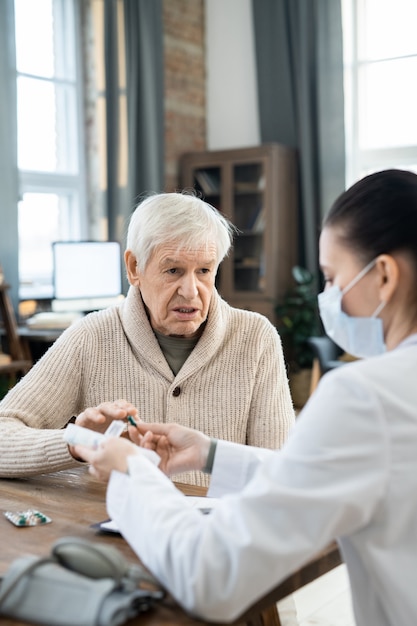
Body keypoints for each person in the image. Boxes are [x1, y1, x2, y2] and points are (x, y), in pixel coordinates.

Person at [76, 169, 417, 626]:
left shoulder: (364, 396)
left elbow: (211, 578)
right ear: (135, 268)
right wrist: (212, 454)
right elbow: (334, 472)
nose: (329, 298)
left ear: (385, 276)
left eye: (334, 279)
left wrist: (132, 469)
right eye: (173, 270)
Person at [0, 192, 295, 483]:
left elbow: (283, 473)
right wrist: (77, 442)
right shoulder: (91, 337)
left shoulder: (256, 338)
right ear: (134, 268)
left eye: (204, 270)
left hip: (217, 528)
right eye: (173, 270)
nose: (191, 291)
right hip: (116, 527)